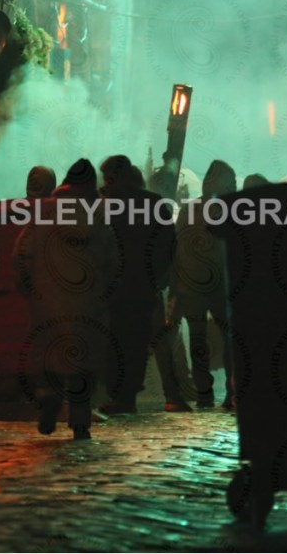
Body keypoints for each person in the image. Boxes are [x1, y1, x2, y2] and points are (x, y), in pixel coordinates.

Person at [14, 159, 119, 440]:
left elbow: (22, 251)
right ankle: (80, 420)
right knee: (83, 359)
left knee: (50, 354)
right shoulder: (99, 214)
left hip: (47, 299)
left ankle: (49, 397)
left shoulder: (44, 211)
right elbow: (112, 259)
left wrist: (26, 286)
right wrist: (108, 292)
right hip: (88, 301)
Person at [97, 155, 175, 415]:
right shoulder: (154, 203)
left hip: (116, 286)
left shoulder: (109, 205)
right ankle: (127, 395)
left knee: (115, 341)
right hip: (142, 285)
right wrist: (158, 277)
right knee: (136, 342)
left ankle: (117, 394)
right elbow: (167, 245)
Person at [168, 160, 237, 411]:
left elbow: (176, 248)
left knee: (198, 340)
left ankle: (204, 394)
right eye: (231, 181)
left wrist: (175, 287)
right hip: (221, 286)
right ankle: (231, 393)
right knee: (229, 339)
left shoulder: (190, 209)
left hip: (191, 286)